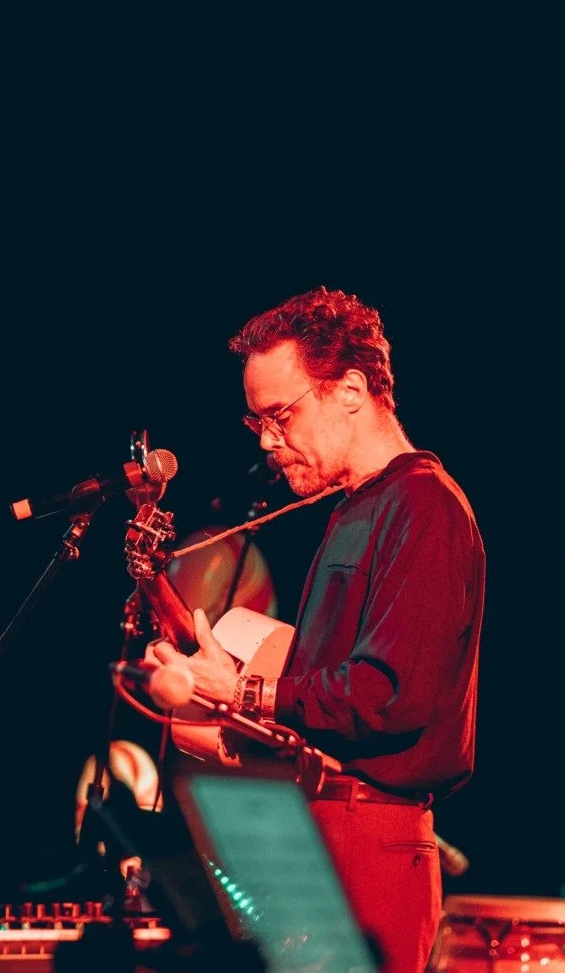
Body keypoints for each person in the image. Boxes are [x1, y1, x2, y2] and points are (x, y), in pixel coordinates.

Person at [146, 285, 486, 973]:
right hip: (322, 826)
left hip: (372, 839)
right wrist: (224, 706)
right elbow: (321, 700)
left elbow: (387, 697)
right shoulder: (353, 510)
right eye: (256, 423)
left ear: (351, 390)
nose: (270, 441)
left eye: (280, 415)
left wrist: (242, 694)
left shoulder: (423, 507)